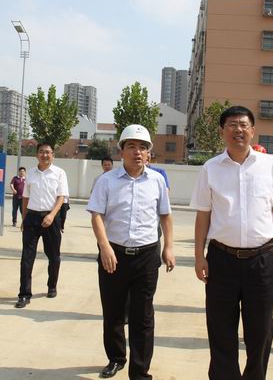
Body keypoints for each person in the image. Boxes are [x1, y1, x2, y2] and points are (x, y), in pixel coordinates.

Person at [191, 105, 273, 380]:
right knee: (220, 327)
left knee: (261, 329)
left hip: (262, 260)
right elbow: (203, 215)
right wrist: (199, 256)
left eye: (243, 125)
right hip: (221, 259)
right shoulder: (211, 168)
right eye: (232, 125)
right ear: (222, 131)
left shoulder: (270, 166)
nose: (238, 130)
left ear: (253, 130)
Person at [87, 124, 175, 380]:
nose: (138, 152)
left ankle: (140, 371)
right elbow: (97, 215)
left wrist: (169, 247)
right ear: (121, 151)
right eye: (132, 146)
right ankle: (116, 358)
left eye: (143, 147)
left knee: (143, 315)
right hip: (113, 255)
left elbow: (165, 216)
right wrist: (104, 246)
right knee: (113, 311)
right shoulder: (106, 181)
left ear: (149, 153)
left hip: (146, 256)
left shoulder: (157, 181)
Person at [15, 142, 69, 308]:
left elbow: (61, 197)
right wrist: (24, 218)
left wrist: (52, 215)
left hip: (51, 218)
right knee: (27, 257)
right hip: (32, 218)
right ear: (36, 154)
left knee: (53, 256)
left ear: (53, 155)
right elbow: (26, 198)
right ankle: (24, 294)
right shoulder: (31, 173)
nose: (44, 155)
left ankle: (52, 285)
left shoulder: (59, 173)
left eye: (48, 152)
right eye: (41, 152)